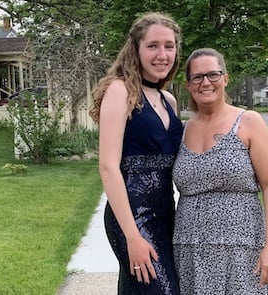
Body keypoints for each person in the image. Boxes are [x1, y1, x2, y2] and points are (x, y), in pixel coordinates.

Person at [172, 48, 268, 294]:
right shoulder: (181, 131)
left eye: (213, 75)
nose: (205, 82)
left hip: (242, 247)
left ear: (225, 78)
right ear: (189, 84)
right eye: (197, 77)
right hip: (190, 248)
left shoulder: (248, 122)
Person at [89, 12, 183, 295]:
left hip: (167, 213)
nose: (162, 54)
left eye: (169, 46)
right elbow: (108, 167)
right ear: (136, 50)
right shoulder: (120, 91)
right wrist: (133, 236)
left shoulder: (169, 100)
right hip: (132, 216)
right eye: (153, 45)